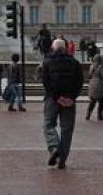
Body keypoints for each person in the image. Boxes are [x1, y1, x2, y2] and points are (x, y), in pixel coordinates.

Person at [41, 39, 83, 170]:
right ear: (65, 49)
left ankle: (54, 147)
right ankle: (62, 159)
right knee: (67, 129)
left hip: (52, 99)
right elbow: (80, 82)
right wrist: (72, 97)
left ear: (53, 49)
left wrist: (56, 97)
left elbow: (46, 83)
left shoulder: (47, 62)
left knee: (48, 125)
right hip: (69, 100)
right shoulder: (75, 63)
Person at [86, 54, 103, 121]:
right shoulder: (101, 67)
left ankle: (88, 114)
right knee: (101, 101)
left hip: (92, 83)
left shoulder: (92, 66)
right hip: (99, 84)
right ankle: (100, 115)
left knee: (93, 100)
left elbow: (89, 75)